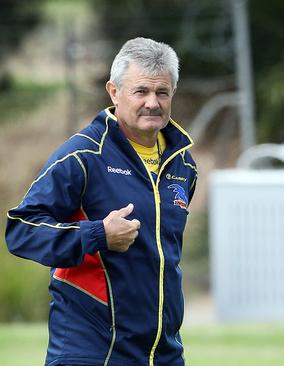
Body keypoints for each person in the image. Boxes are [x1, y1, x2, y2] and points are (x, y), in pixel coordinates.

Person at [5, 37, 197, 366]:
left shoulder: (183, 165)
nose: (153, 103)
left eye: (161, 92)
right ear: (114, 91)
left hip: (161, 353)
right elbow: (21, 230)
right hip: (92, 351)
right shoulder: (82, 155)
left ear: (172, 94)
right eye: (141, 91)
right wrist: (96, 235)